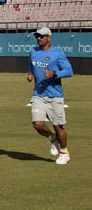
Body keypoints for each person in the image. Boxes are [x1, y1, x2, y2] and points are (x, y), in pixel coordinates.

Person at [28, 26, 74, 165]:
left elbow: (69, 70)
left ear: (49, 37)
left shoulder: (58, 54)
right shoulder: (33, 52)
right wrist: (30, 73)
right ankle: (52, 137)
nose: (39, 39)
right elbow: (31, 65)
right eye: (37, 36)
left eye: (42, 36)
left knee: (58, 126)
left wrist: (55, 74)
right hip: (38, 94)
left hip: (55, 95)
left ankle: (64, 152)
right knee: (37, 124)